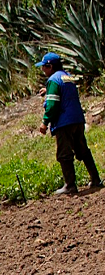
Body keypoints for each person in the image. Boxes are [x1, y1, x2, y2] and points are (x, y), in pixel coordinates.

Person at [35, 52, 102, 194]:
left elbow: (52, 104)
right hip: (77, 119)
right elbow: (65, 92)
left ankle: (70, 185)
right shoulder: (67, 77)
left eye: (44, 67)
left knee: (64, 154)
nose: (43, 70)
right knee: (83, 150)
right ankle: (95, 179)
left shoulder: (53, 79)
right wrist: (48, 90)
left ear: (50, 66)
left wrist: (44, 122)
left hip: (64, 122)